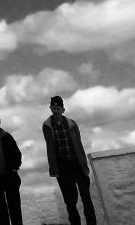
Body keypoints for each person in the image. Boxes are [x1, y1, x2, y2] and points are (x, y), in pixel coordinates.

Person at [43, 95, 97, 224]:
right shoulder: (47, 126)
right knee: (70, 201)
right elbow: (50, 147)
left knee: (86, 199)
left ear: (63, 110)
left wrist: (84, 166)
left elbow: (79, 144)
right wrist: (55, 169)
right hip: (62, 168)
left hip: (77, 165)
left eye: (58, 108)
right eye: (54, 108)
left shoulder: (72, 124)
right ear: (50, 108)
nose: (56, 111)